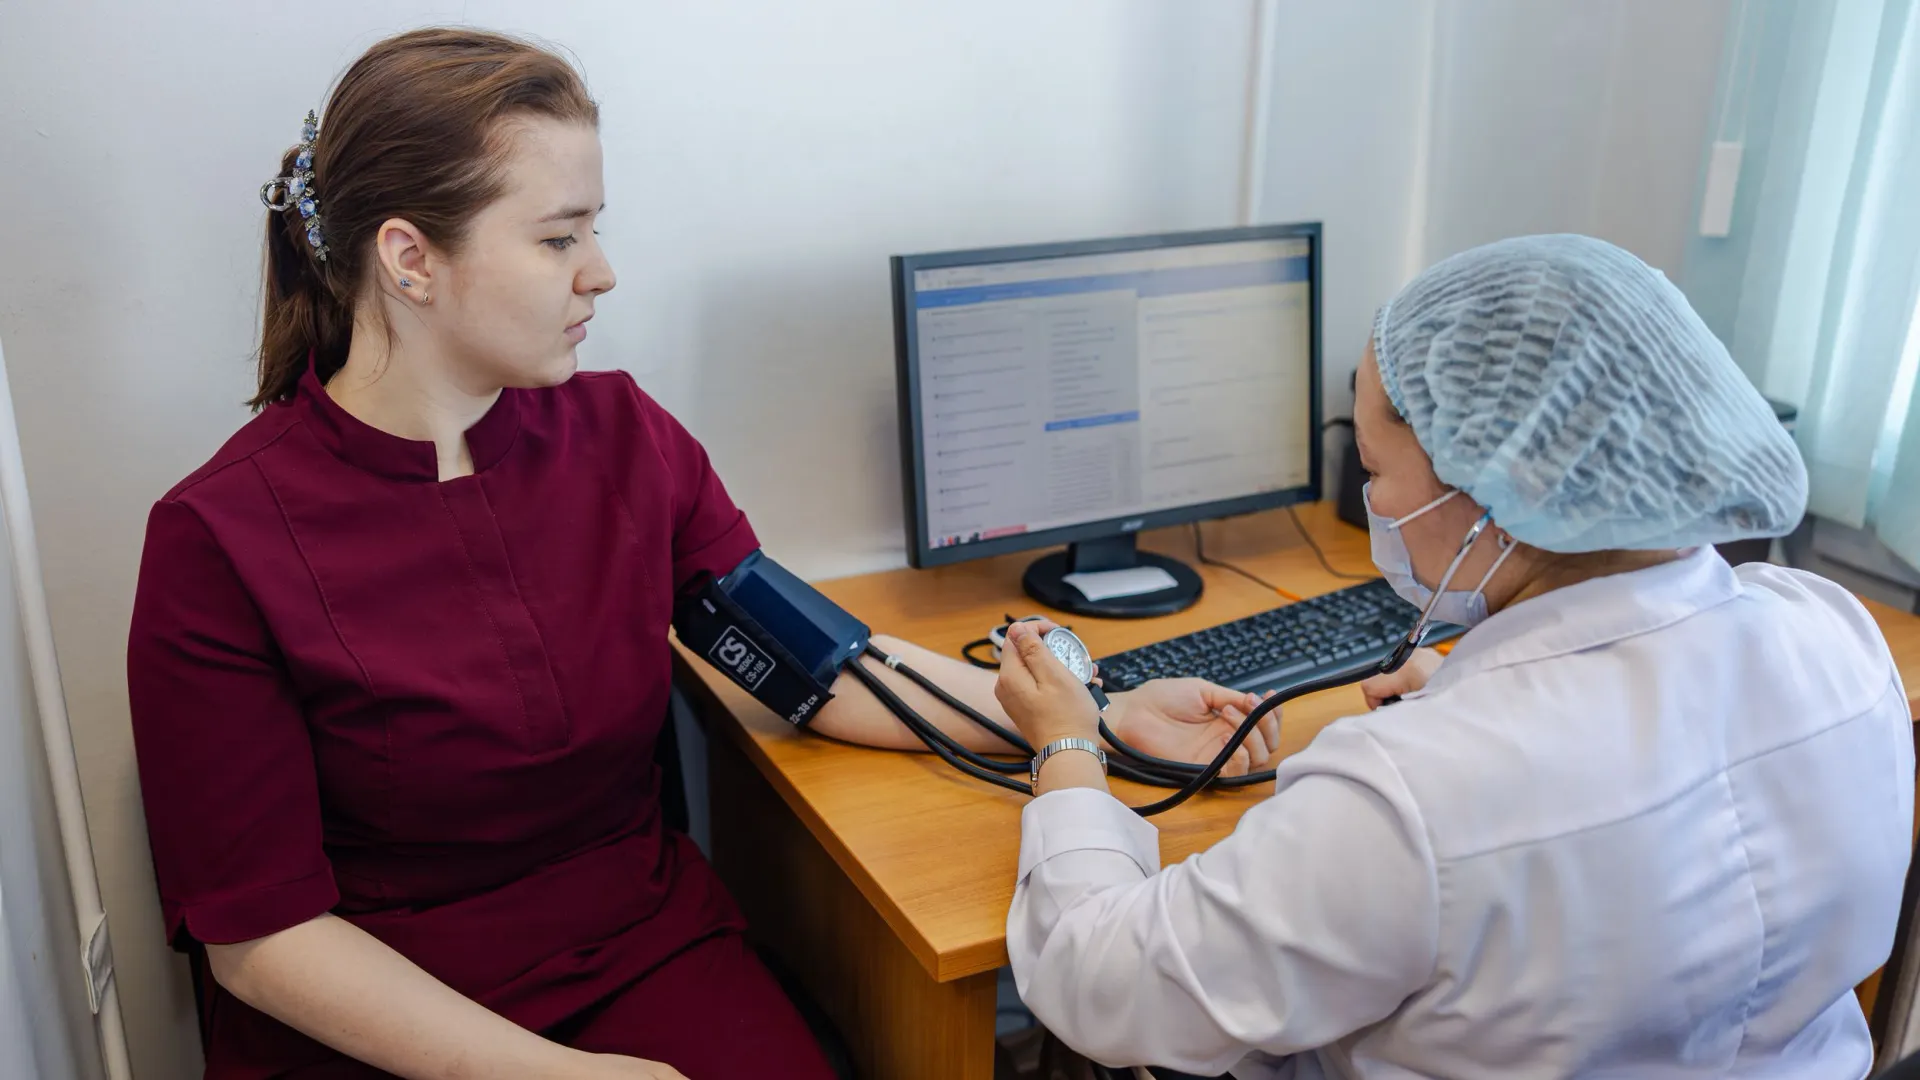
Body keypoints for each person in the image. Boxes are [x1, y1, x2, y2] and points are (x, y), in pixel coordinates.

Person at [125, 28, 1279, 1080]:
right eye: (559, 237)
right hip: (383, 1009)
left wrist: (1090, 721)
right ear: (409, 258)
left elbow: (822, 669)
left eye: (596, 228)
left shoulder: (623, 439)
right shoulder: (219, 541)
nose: (601, 271)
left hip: (637, 946)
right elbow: (261, 938)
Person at [995, 234, 1915, 1080]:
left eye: (1374, 468)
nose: (1371, 501)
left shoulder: (1409, 796)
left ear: (1490, 494)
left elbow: (1098, 980)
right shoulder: (1833, 633)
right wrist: (1474, 696)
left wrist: (1068, 744)